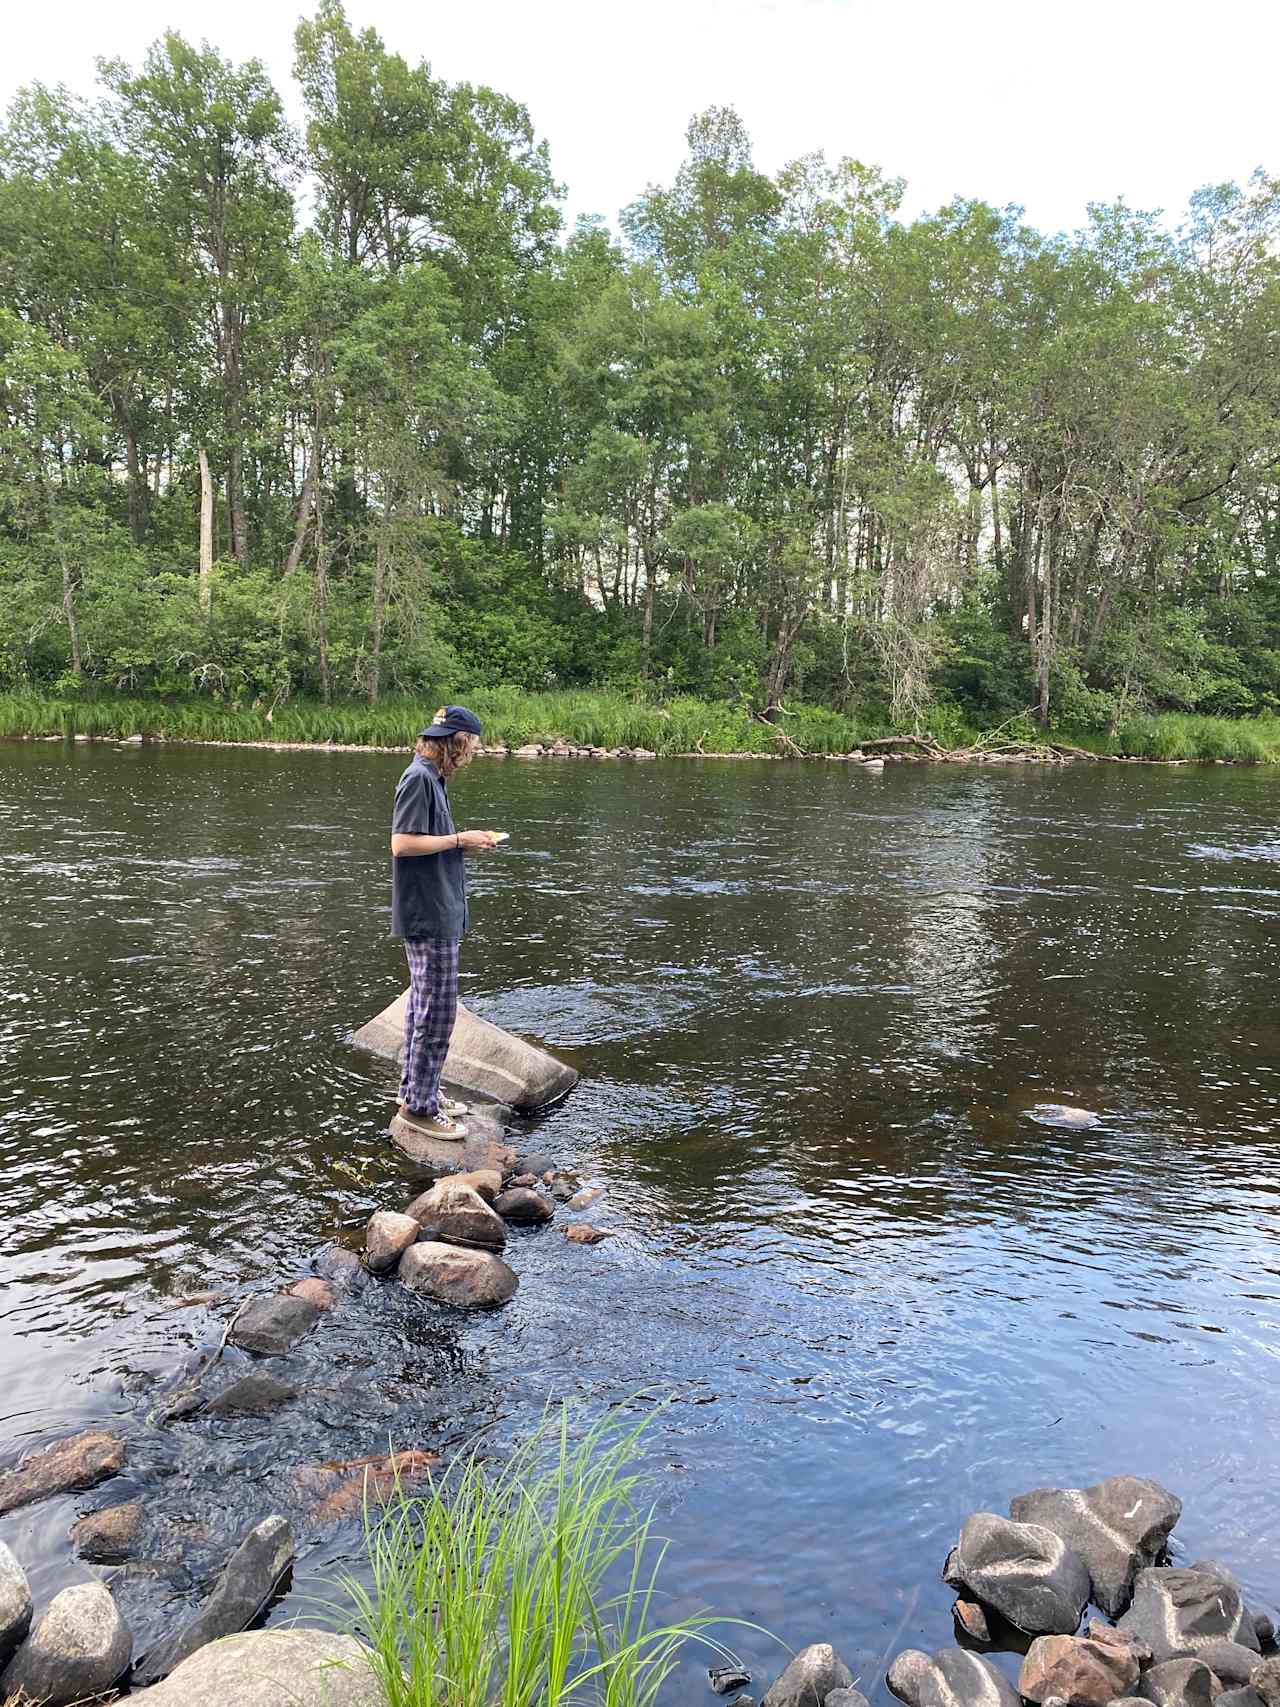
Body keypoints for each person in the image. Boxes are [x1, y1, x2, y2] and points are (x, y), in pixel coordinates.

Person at [390, 705, 499, 1138]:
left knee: (423, 1007)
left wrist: (464, 845)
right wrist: (459, 839)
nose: (474, 750)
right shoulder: (418, 778)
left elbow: (427, 844)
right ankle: (419, 1109)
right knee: (437, 1014)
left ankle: (420, 1094)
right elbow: (401, 844)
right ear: (455, 742)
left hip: (437, 909)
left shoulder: (432, 777)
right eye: (471, 742)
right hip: (427, 913)